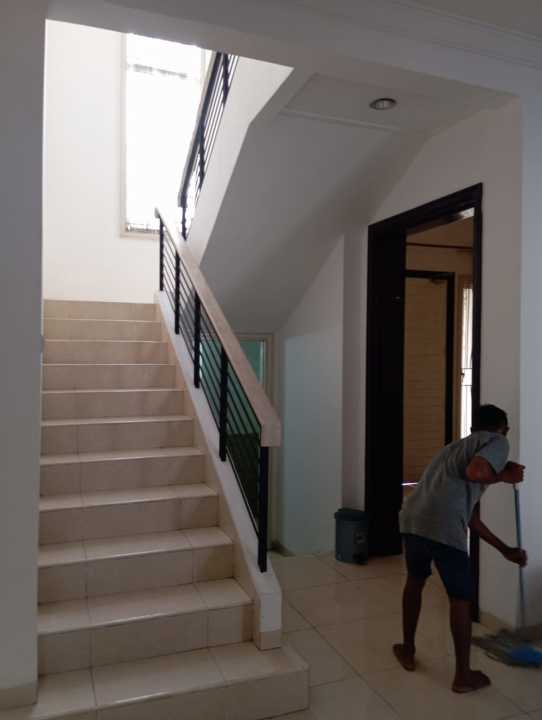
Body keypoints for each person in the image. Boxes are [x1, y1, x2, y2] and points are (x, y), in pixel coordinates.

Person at [394, 404, 527, 693]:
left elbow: (470, 517)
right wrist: (504, 476)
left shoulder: (454, 448)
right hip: (443, 526)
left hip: (413, 519)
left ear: (472, 428)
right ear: (503, 429)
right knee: (460, 599)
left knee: (415, 581)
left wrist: (505, 549)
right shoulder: (497, 442)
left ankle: (407, 650)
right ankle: (463, 676)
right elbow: (477, 471)